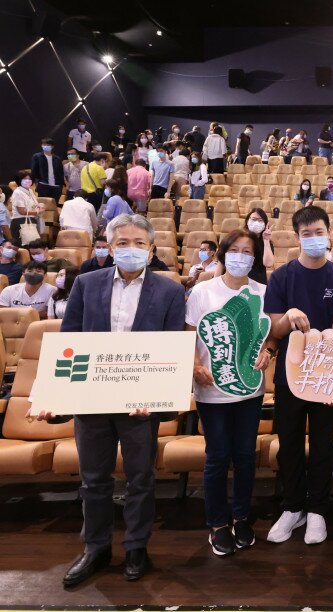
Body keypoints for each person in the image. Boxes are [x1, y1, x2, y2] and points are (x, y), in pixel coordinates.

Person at [35, 214, 185, 586]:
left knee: (140, 479)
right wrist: (59, 394)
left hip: (141, 405)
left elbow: (171, 349)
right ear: (108, 246)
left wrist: (158, 397)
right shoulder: (86, 284)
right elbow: (70, 341)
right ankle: (96, 547)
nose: (130, 249)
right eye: (122, 243)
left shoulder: (170, 291)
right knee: (94, 480)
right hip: (93, 401)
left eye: (139, 243)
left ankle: (136, 546)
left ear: (151, 250)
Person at [263, 206, 333, 545]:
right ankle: (292, 506)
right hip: (289, 377)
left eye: (319, 232)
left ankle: (317, 510)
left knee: (321, 444)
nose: (314, 239)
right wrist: (289, 317)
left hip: (326, 378)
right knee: (289, 444)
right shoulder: (282, 277)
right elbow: (272, 325)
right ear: (297, 238)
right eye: (307, 234)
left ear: (329, 234)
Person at [185, 229, 274, 556]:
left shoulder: (265, 292)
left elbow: (272, 333)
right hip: (212, 393)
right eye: (235, 250)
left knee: (246, 458)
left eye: (247, 251)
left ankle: (241, 518)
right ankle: (218, 524)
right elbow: (189, 333)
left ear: (255, 257)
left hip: (250, 392)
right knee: (218, 457)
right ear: (223, 254)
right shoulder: (202, 292)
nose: (241, 256)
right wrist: (195, 364)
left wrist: (270, 351)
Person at [10, 169, 45, 242]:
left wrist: (40, 206)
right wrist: (36, 212)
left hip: (31, 221)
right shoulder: (18, 192)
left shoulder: (30, 191)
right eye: (25, 179)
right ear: (19, 180)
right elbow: (22, 211)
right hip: (21, 222)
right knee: (25, 247)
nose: (28, 180)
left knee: (33, 245)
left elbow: (34, 205)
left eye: (29, 179)